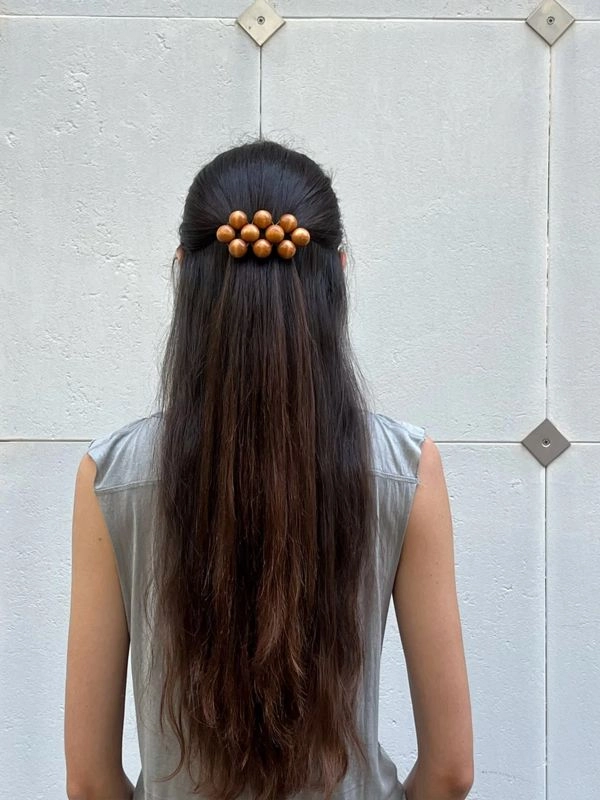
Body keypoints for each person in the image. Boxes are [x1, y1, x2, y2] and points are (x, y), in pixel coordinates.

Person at [64, 139, 473, 800]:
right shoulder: (405, 468)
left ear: (182, 272)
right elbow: (451, 772)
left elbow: (88, 782)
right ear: (339, 271)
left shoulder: (110, 477)